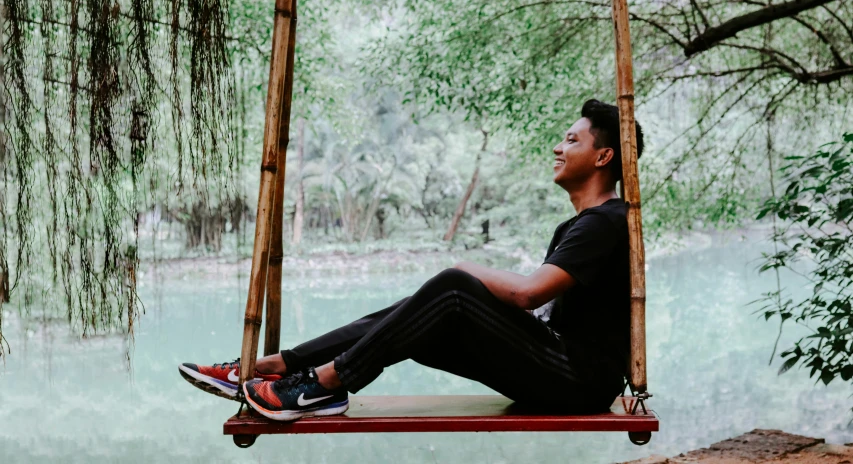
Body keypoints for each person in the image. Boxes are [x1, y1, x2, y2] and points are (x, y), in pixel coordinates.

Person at [179, 99, 644, 422]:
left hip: (581, 380)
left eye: (571, 140)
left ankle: (320, 384)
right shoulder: (582, 225)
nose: (558, 148)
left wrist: (464, 270)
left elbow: (528, 294)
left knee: (451, 288)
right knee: (420, 314)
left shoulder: (606, 221)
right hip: (560, 367)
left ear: (604, 155)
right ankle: (274, 368)